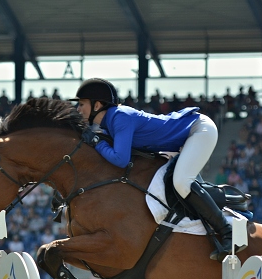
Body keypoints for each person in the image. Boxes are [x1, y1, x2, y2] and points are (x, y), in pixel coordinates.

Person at [71, 78, 233, 261]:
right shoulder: (109, 124)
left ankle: (227, 232)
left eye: (81, 104)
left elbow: (120, 159)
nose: (78, 109)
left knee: (181, 182)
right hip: (180, 141)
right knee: (176, 184)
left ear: (97, 105)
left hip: (198, 130)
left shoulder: (119, 117)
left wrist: (95, 142)